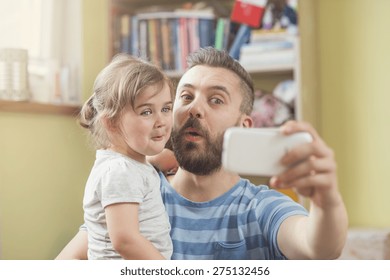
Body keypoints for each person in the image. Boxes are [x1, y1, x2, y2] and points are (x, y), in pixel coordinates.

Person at [56, 47, 348, 260]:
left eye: (216, 100)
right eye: (185, 97)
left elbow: (318, 247)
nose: (194, 108)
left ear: (243, 126)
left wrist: (327, 201)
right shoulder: (137, 190)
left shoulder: (260, 209)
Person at [76, 54, 174, 260]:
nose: (161, 121)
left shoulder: (129, 162)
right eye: (146, 112)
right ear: (111, 123)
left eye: (166, 108)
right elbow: (125, 240)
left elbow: (147, 165)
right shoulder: (120, 171)